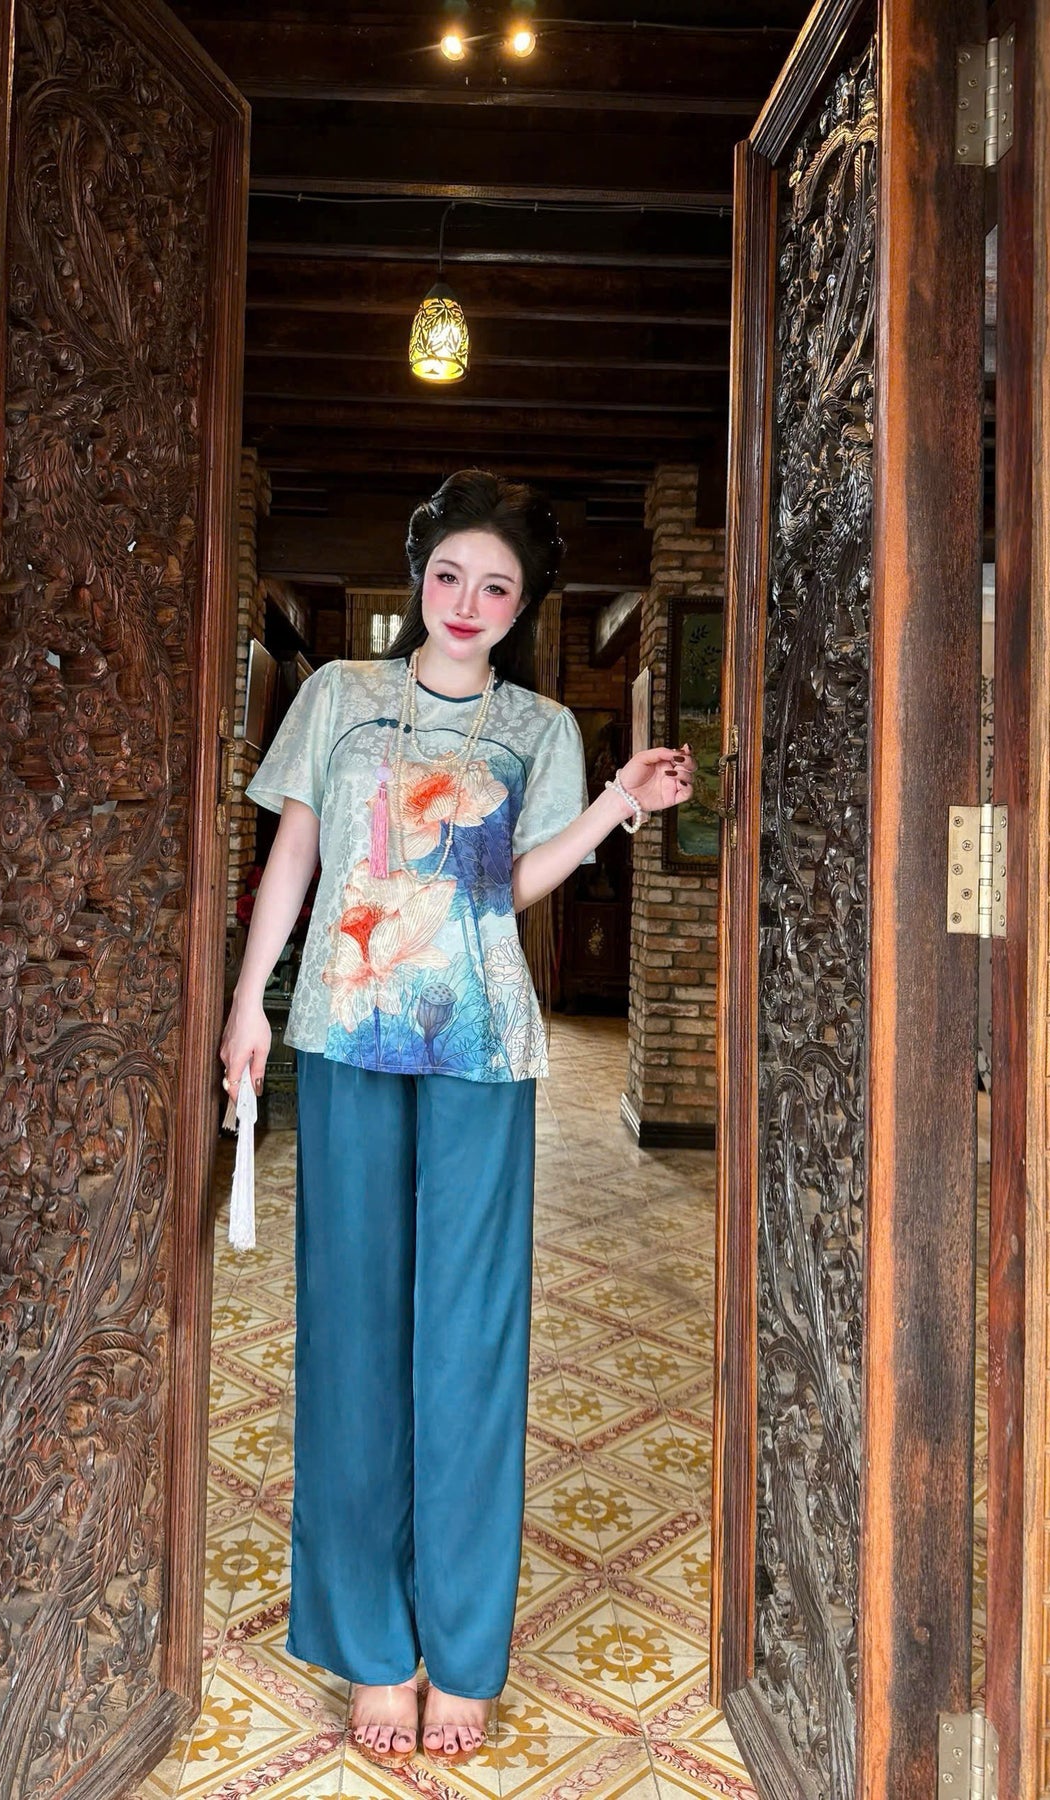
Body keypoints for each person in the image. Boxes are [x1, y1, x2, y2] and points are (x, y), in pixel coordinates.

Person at [219, 470, 696, 1769]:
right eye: (449, 576)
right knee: (353, 1333)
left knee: (471, 1343)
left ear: (523, 604)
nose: (468, 603)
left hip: (483, 1048)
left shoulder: (540, 725)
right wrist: (250, 1001)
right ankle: (375, 1647)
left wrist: (614, 806)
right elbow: (296, 854)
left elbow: (513, 885)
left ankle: (465, 1652)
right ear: (418, 576)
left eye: (497, 586)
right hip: (344, 1034)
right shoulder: (337, 697)